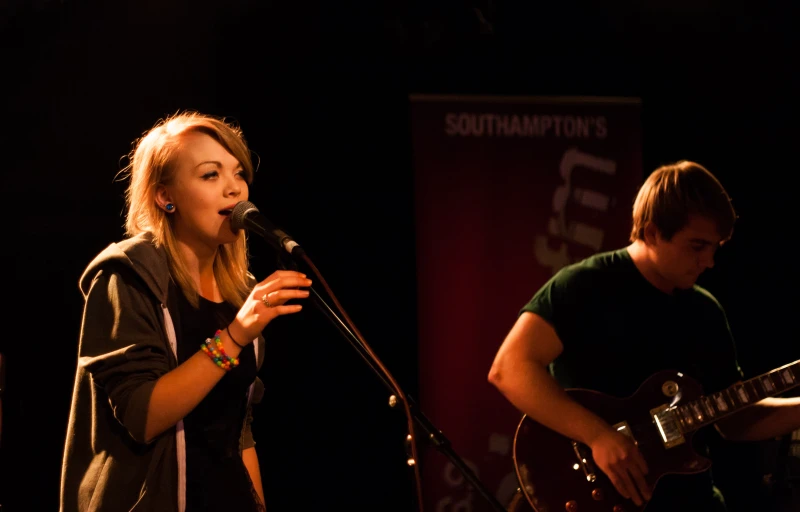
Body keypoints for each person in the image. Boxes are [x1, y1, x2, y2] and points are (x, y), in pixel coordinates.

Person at [488, 161, 800, 511]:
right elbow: (509, 369)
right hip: (599, 497)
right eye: (697, 246)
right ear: (652, 233)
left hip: (689, 501)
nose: (709, 261)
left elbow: (733, 417)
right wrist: (597, 435)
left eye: (715, 247)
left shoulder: (705, 310)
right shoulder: (584, 285)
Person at [59, 111, 312, 512]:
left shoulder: (237, 291)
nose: (234, 190)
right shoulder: (129, 276)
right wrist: (234, 338)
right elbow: (143, 417)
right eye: (210, 175)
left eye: (239, 173)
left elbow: (238, 429)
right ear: (165, 196)